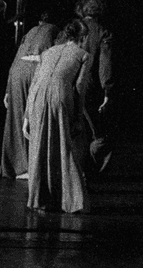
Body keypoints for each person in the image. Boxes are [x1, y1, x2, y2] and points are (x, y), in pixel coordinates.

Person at [23, 19, 95, 213]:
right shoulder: (84, 55)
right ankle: (73, 201)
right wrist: (78, 116)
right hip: (60, 94)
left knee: (39, 147)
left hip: (38, 95)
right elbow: (79, 87)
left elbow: (35, 82)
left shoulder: (48, 52)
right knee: (64, 145)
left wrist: (27, 117)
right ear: (84, 37)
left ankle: (41, 199)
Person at [0, 8, 59, 179]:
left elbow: (18, 56)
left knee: (16, 119)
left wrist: (7, 90)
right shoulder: (54, 30)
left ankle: (16, 166)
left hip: (16, 73)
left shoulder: (31, 30)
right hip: (34, 71)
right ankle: (31, 166)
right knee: (34, 117)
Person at [74, 0, 114, 172]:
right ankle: (89, 172)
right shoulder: (103, 32)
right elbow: (105, 66)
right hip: (90, 87)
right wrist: (107, 91)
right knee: (97, 135)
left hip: (70, 84)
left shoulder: (73, 27)